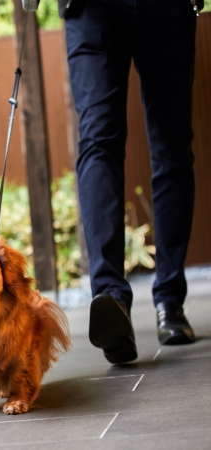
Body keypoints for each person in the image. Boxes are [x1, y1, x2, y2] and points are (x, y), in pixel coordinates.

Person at [60, 0, 202, 364]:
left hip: (165, 9)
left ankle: (169, 300)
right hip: (90, 10)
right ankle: (110, 300)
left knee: (171, 146)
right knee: (97, 142)